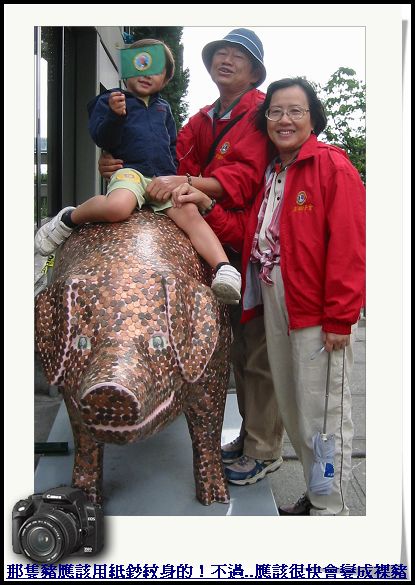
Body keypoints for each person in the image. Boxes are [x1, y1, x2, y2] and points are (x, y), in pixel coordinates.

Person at [171, 77, 365, 515]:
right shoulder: (274, 172)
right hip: (276, 303)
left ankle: (330, 509)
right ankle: (318, 494)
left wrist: (339, 318)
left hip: (315, 312)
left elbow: (350, 247)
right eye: (275, 111)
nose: (284, 120)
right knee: (295, 409)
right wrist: (206, 205)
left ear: (313, 118)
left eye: (295, 111)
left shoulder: (331, 166)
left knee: (324, 415)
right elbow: (248, 231)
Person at [98, 29, 285, 486]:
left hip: (250, 239)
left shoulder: (259, 112)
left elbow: (242, 179)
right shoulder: (203, 117)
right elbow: (168, 158)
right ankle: (249, 437)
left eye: (237, 55)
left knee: (257, 349)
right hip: (213, 227)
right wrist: (120, 162)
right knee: (232, 346)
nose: (225, 59)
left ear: (255, 72)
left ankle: (263, 449)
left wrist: (181, 181)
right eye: (220, 53)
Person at [34, 38, 241, 305]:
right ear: (126, 69)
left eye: (155, 68)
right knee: (117, 207)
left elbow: (171, 146)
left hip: (161, 178)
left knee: (190, 213)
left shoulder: (164, 109)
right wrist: (114, 115)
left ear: (166, 78)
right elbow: (101, 137)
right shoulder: (111, 100)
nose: (146, 73)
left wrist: (174, 179)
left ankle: (223, 268)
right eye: (139, 64)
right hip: (130, 172)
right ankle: (70, 218)